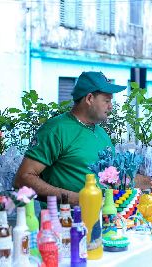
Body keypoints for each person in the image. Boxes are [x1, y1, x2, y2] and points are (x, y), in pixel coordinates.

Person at [14, 71, 126, 205]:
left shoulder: (101, 133)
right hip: (66, 221)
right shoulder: (56, 130)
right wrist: (77, 199)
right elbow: (22, 179)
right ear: (89, 98)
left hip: (106, 218)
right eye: (107, 101)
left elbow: (115, 176)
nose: (111, 106)